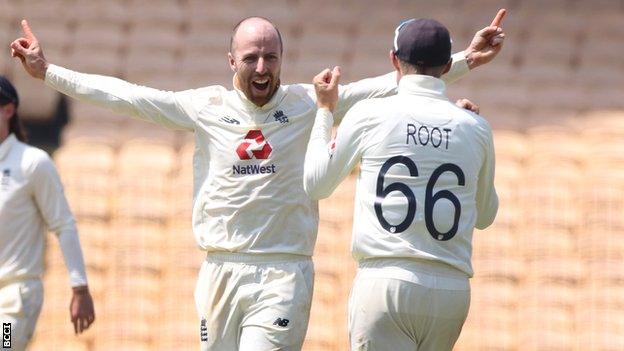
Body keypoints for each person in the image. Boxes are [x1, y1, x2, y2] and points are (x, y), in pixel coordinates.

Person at [9, 12, 504, 350]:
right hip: (219, 272)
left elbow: (394, 82)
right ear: (232, 62)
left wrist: (465, 61)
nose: (262, 68)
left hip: (282, 273)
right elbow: (126, 96)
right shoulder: (205, 107)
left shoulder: (307, 102)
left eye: (271, 57)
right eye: (251, 58)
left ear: (282, 60)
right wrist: (49, 74)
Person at [303, 17, 501, 351]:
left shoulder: (369, 114)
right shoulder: (475, 127)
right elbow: (485, 216)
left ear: (394, 59)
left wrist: (325, 111)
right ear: (447, 64)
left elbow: (315, 183)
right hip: (451, 291)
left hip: (386, 282)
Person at [0, 76, 95, 351]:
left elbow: (63, 225)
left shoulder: (32, 163)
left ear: (8, 109)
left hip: (13, 299)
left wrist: (80, 288)